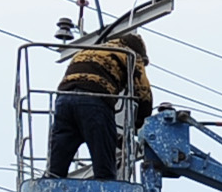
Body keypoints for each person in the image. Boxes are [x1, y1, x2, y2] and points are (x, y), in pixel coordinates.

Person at [45, 32, 152, 181]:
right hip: (94, 99)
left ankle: (51, 183)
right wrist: (141, 124)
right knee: (104, 166)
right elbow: (143, 91)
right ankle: (107, 189)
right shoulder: (130, 54)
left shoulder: (89, 50)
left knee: (57, 165)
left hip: (64, 100)